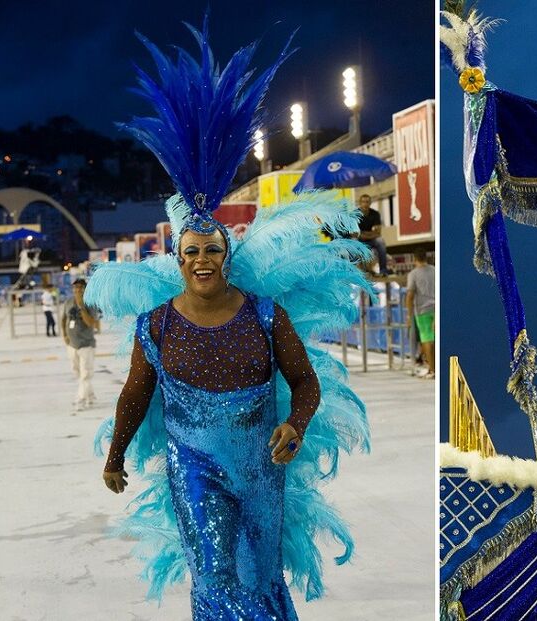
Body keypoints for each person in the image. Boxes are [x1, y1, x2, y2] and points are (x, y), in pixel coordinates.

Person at [89, 21, 370, 619]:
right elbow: (135, 395)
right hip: (191, 460)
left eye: (211, 250)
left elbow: (306, 382)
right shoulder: (157, 325)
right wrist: (115, 455)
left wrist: (295, 425)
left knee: (258, 572)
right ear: (178, 259)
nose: (201, 261)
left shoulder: (266, 316)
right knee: (214, 570)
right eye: (190, 252)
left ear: (227, 254)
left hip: (261, 463)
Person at [61, 278, 99, 410]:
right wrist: (65, 335)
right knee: (77, 373)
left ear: (85, 289)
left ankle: (81, 399)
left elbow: (91, 323)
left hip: (86, 344)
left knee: (85, 374)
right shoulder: (68, 302)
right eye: (75, 288)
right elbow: (63, 319)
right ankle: (90, 394)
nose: (77, 290)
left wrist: (81, 306)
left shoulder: (90, 304)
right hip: (72, 344)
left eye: (80, 288)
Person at [405, 247, 435, 379]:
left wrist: (408, 314)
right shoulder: (435, 270)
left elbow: (410, 295)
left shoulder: (413, 274)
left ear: (414, 259)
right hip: (435, 309)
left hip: (422, 311)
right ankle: (432, 367)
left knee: (426, 340)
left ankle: (432, 370)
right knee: (433, 340)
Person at [357, 194, 391, 275]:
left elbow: (378, 233)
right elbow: (355, 234)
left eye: (367, 202)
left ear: (370, 203)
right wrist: (370, 233)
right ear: (360, 203)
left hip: (371, 239)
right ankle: (358, 271)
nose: (365, 204)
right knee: (353, 241)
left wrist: (363, 233)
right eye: (363, 202)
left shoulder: (375, 214)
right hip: (359, 240)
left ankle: (383, 271)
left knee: (380, 241)